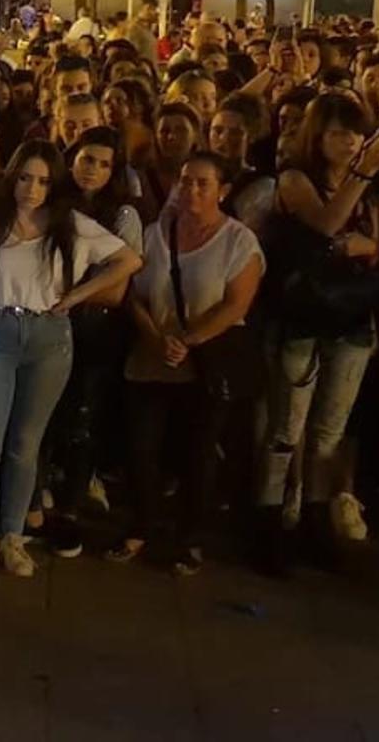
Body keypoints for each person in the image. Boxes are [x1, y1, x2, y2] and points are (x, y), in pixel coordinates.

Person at [0, 141, 140, 578]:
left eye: (41, 181)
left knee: (25, 445)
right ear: (12, 177)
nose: (31, 190)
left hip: (49, 336)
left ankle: (14, 535)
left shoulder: (70, 224)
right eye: (24, 178)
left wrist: (78, 294)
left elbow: (129, 259)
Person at [257, 94, 379, 565]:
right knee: (286, 430)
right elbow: (325, 225)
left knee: (328, 434)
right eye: (340, 133)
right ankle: (272, 519)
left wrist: (362, 244)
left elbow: (374, 246)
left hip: (352, 320)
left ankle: (315, 519)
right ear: (317, 136)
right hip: (302, 318)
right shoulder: (296, 179)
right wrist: (359, 184)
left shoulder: (372, 189)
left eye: (357, 134)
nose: (350, 143)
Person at [111, 152, 264, 574]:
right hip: (153, 356)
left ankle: (190, 536)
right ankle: (142, 522)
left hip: (205, 362)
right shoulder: (154, 233)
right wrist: (155, 336)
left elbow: (236, 305)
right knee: (142, 446)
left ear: (223, 191)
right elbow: (134, 294)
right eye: (185, 181)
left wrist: (189, 340)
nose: (191, 190)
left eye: (202, 183)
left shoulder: (238, 241)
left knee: (198, 452)